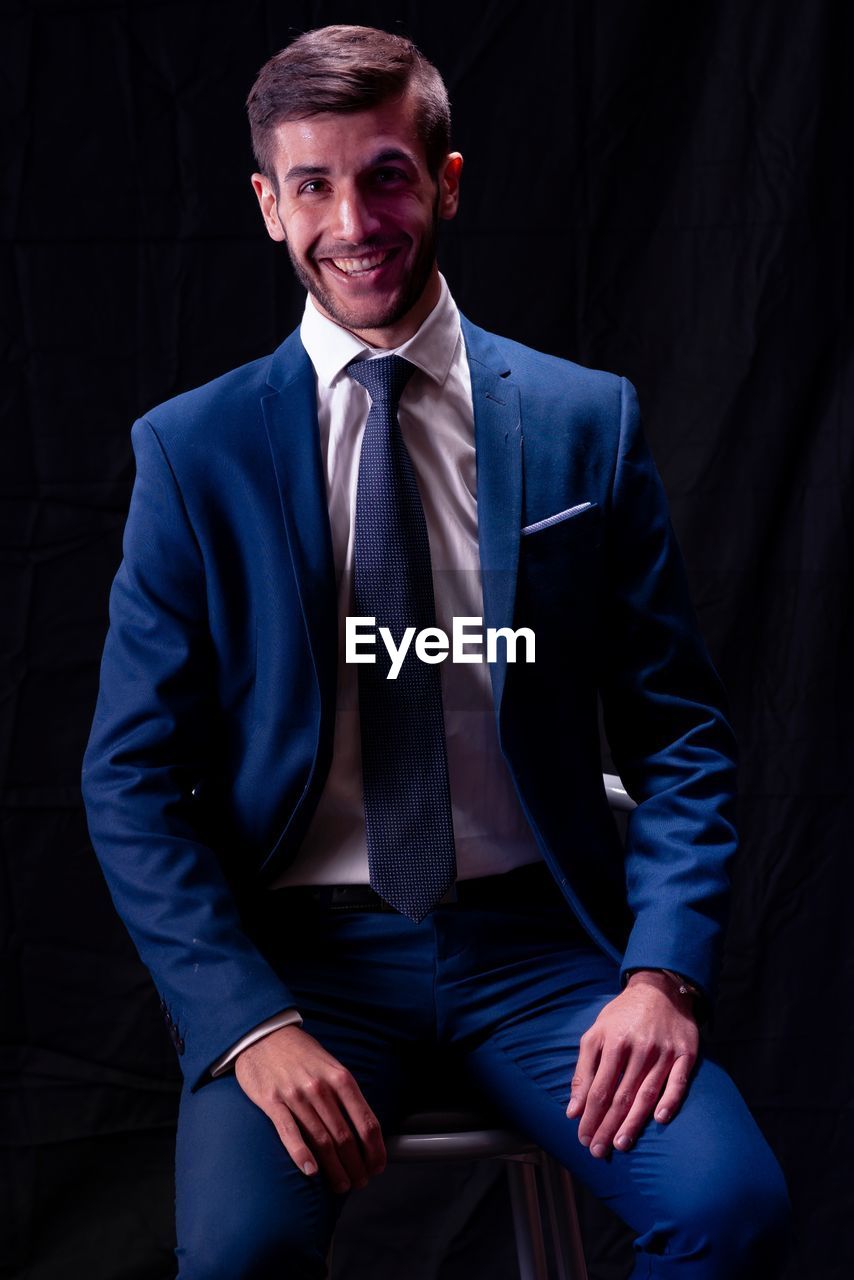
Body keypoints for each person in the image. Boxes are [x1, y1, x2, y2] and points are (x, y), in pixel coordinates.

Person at [81, 23, 791, 1280]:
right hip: (301, 960)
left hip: (539, 952)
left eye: (387, 176)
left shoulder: (582, 420)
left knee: (727, 1208)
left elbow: (681, 734)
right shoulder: (193, 453)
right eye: (312, 185)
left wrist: (661, 974)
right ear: (268, 205)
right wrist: (247, 1020)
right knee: (239, 1254)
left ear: (445, 182)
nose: (353, 222)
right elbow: (129, 780)